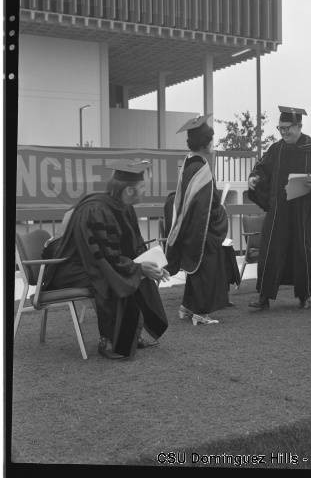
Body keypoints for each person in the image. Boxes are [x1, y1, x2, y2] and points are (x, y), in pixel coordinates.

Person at [42, 159, 169, 360]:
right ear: (129, 190)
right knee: (113, 278)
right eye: (142, 187)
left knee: (132, 273)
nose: (145, 191)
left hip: (99, 262)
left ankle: (132, 336)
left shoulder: (125, 208)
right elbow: (102, 258)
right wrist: (138, 268)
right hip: (73, 269)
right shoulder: (95, 210)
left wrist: (155, 265)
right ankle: (109, 341)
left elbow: (135, 246)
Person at [247, 106, 311, 309]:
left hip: (305, 213)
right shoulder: (276, 149)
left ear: (299, 126)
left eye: (288, 128)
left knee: (303, 252)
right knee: (271, 251)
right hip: (280, 210)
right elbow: (261, 169)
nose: (284, 132)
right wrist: (255, 179)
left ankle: (304, 296)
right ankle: (264, 297)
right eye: (281, 128)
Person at [165, 115, 230, 325]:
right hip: (202, 229)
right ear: (205, 143)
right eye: (211, 139)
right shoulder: (201, 168)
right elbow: (204, 207)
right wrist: (219, 215)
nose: (213, 143)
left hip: (191, 226)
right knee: (206, 269)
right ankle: (201, 312)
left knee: (196, 270)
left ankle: (187, 307)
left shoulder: (189, 162)